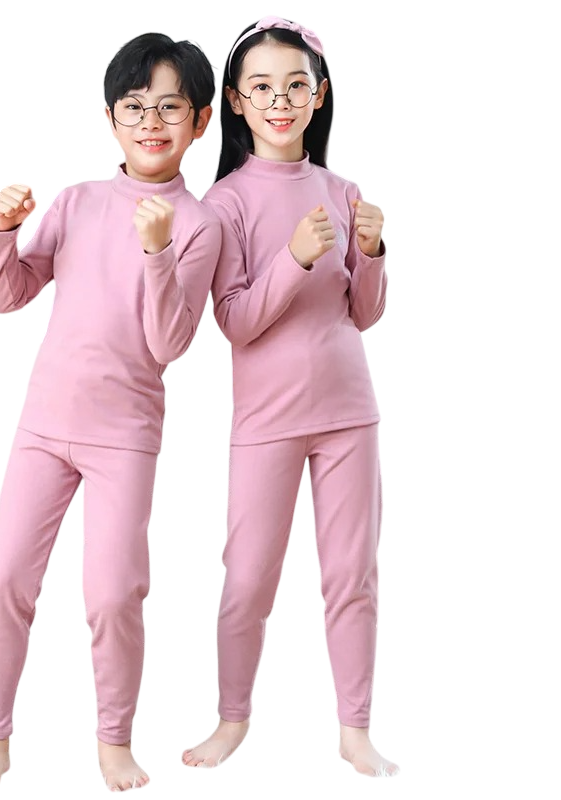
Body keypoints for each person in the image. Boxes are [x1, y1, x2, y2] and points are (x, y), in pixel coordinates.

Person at [0, 32, 220, 795]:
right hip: (43, 428)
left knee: (112, 594)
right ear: (110, 118)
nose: (151, 122)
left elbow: (169, 344)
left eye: (170, 106)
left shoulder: (200, 225)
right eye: (134, 106)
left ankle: (113, 743)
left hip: (123, 438)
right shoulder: (76, 201)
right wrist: (2, 230)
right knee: (6, 578)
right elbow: (7, 294)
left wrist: (158, 252)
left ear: (200, 121)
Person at [181, 16, 399, 778]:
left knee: (352, 577)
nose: (281, 100)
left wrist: (371, 251)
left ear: (319, 95)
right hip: (267, 422)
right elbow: (236, 322)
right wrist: (295, 259)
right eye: (263, 87)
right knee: (247, 578)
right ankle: (231, 718)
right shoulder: (225, 204)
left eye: (296, 85)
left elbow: (363, 313)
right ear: (237, 101)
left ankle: (355, 729)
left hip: (349, 415)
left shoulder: (342, 191)